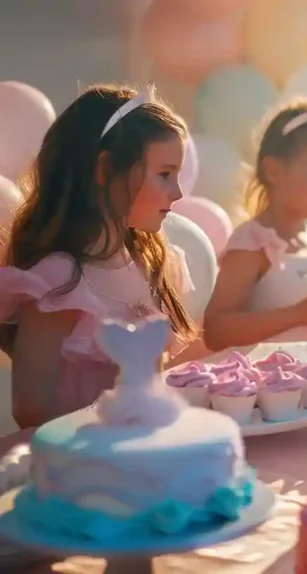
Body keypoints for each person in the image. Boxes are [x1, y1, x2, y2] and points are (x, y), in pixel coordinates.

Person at [0, 85, 197, 428]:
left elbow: (155, 384)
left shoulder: (151, 263)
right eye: (165, 174)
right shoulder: (57, 284)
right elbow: (31, 412)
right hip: (82, 468)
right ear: (105, 169)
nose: (178, 192)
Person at [203, 99, 307, 352]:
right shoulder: (253, 243)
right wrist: (299, 313)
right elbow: (216, 330)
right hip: (270, 381)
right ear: (274, 171)